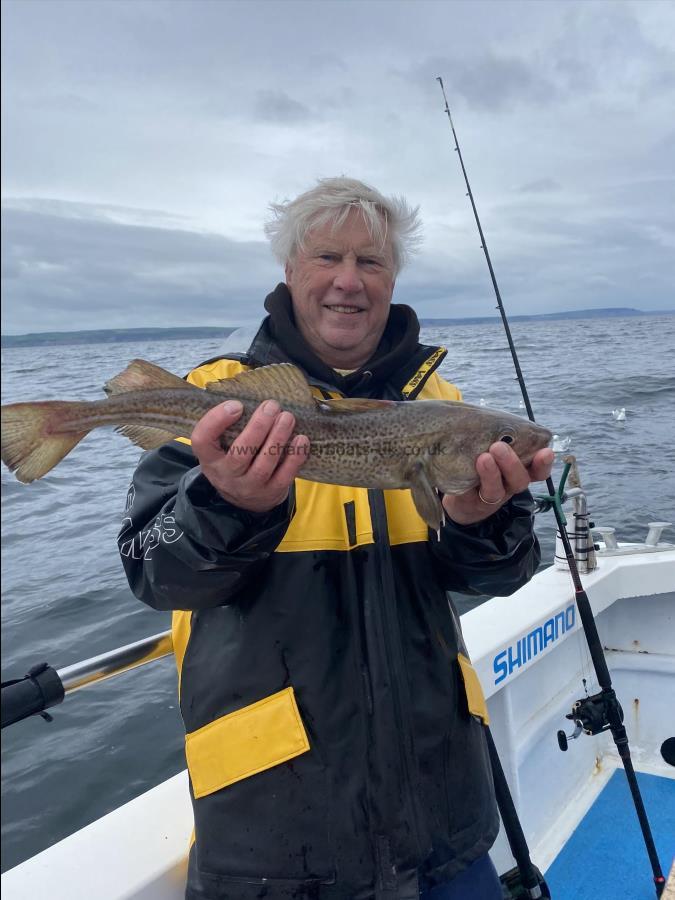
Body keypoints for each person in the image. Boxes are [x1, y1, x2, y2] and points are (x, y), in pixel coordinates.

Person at [119, 177, 554, 900]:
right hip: (274, 835)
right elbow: (153, 572)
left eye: (372, 263)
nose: (348, 282)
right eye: (327, 257)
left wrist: (482, 522)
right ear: (289, 270)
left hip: (442, 809)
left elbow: (499, 576)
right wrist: (226, 504)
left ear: (393, 280)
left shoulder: (444, 413)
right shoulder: (217, 398)